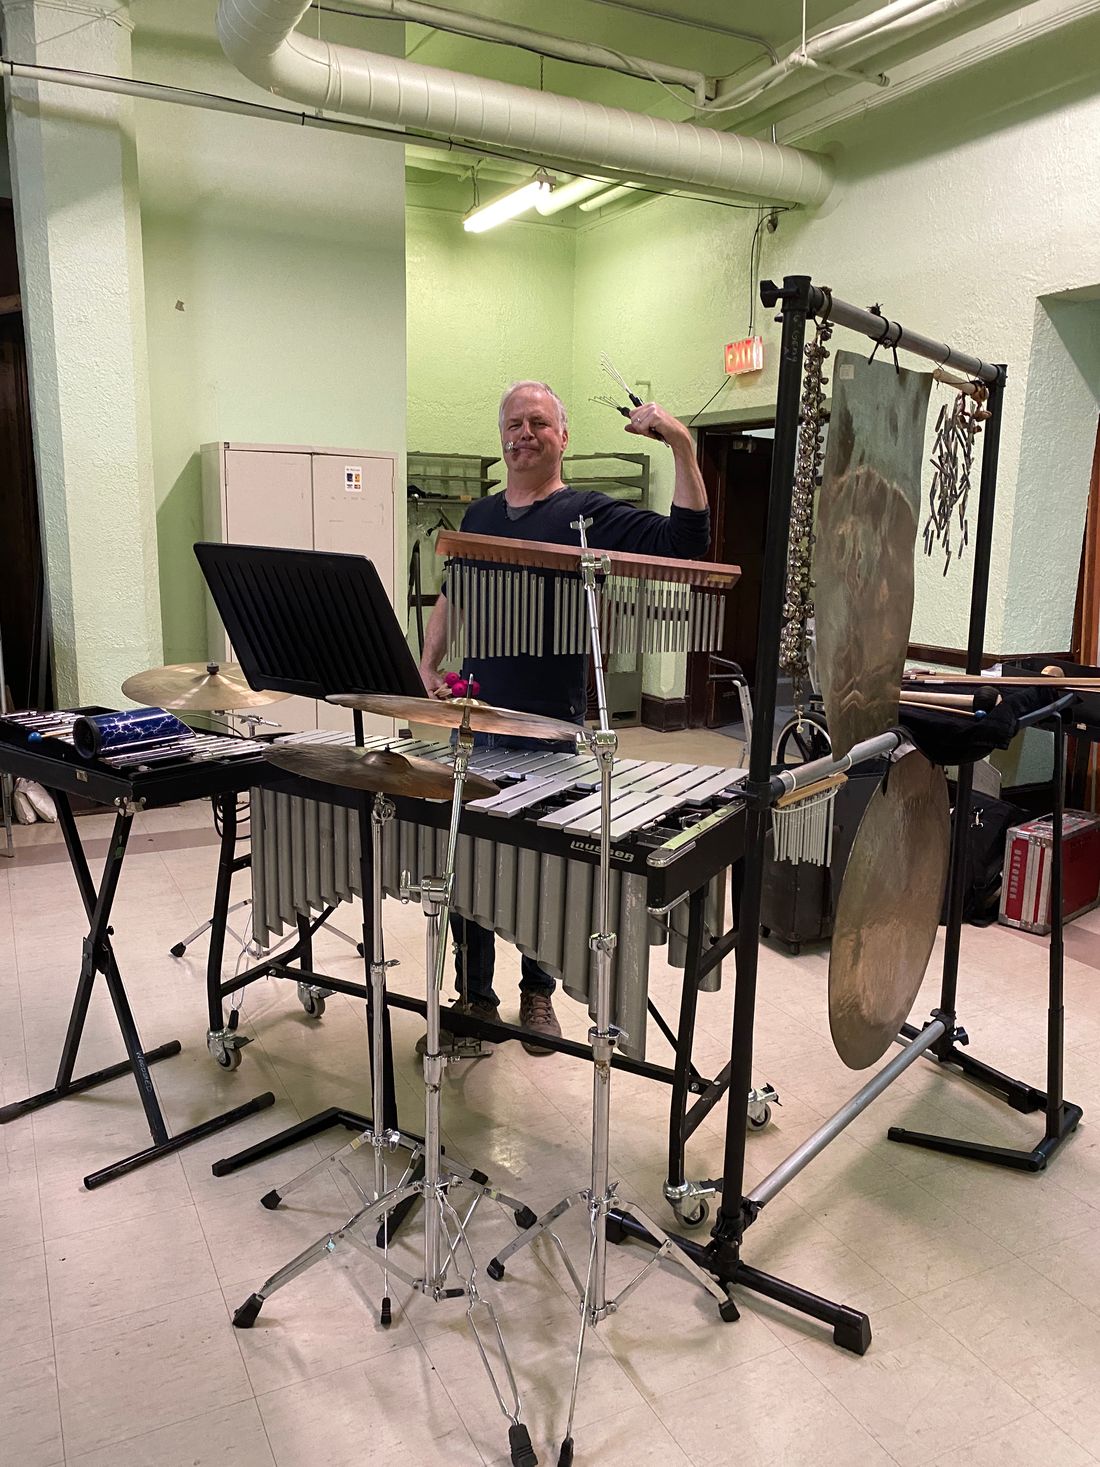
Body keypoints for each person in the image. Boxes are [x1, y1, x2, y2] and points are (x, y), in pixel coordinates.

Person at [418, 379, 710, 1055]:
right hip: (478, 720)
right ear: (502, 436)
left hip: (554, 729)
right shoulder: (481, 516)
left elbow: (686, 543)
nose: (524, 433)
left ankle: (537, 992)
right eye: (514, 424)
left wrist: (683, 447)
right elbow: (454, 589)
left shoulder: (589, 514)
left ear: (563, 437)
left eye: (539, 423)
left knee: (543, 866)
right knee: (468, 866)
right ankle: (475, 996)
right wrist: (430, 661)